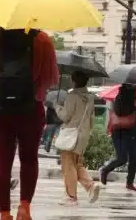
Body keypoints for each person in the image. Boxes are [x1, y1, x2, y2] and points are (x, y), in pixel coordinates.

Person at [0, 28, 58, 220]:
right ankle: (24, 207)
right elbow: (50, 78)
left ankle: (4, 213)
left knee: (1, 161)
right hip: (31, 106)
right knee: (29, 159)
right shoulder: (42, 41)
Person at [55, 71, 101, 206]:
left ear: (73, 81)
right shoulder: (91, 97)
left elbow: (65, 116)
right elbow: (92, 119)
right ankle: (91, 186)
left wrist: (57, 107)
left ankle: (71, 196)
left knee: (68, 166)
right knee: (77, 164)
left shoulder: (72, 96)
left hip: (71, 135)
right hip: (83, 135)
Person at [99, 83, 136, 192]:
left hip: (133, 131)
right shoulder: (120, 99)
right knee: (122, 158)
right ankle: (105, 170)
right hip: (119, 132)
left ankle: (130, 183)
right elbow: (120, 111)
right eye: (135, 91)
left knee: (134, 158)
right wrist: (134, 106)